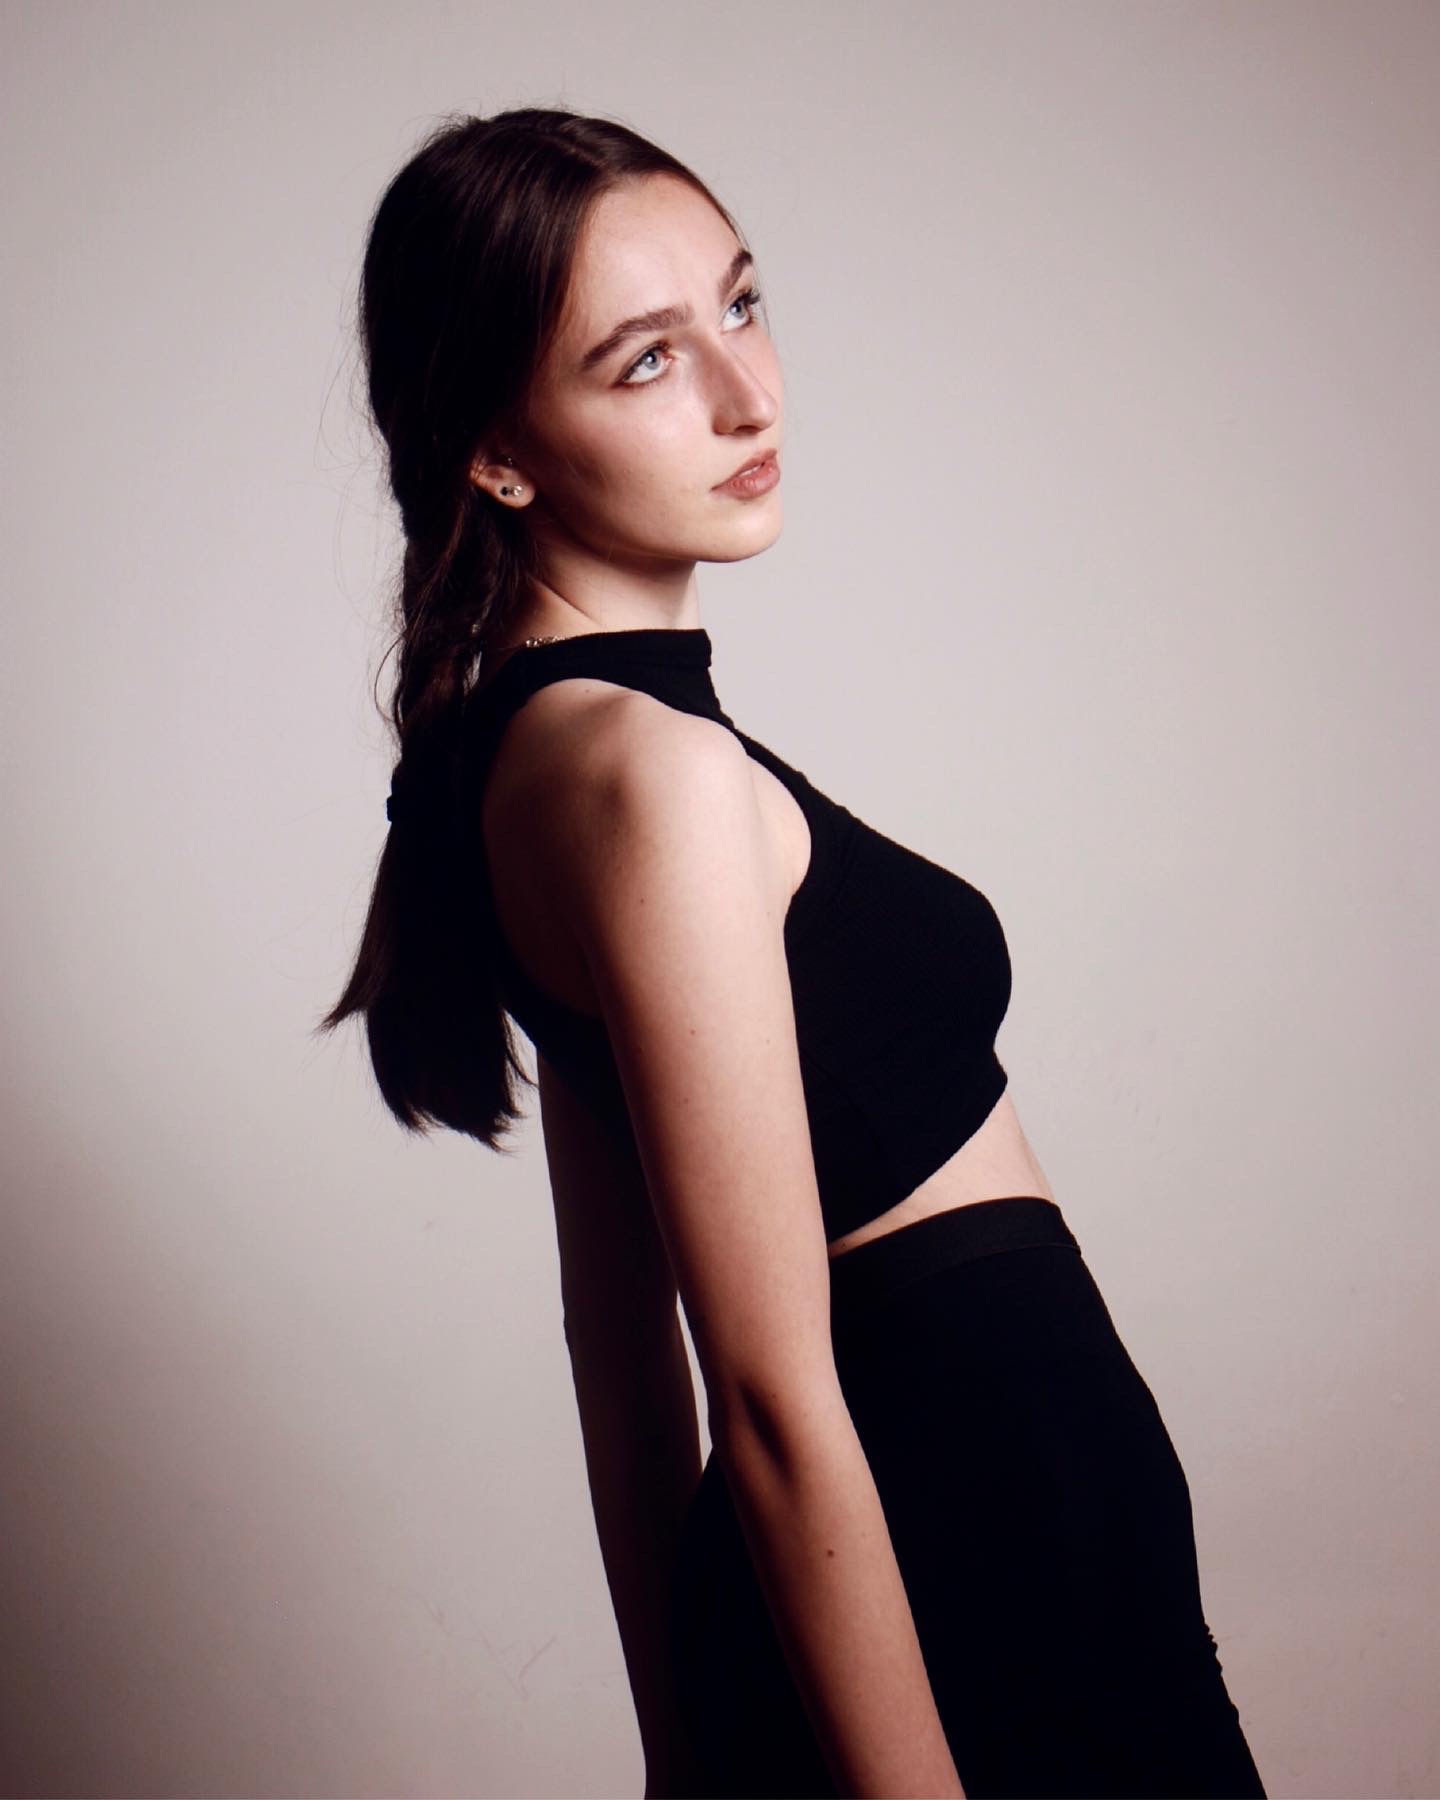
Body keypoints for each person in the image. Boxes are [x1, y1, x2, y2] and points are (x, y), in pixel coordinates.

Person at [320, 106, 1268, 1800]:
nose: (749, 395)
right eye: (646, 360)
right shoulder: (657, 779)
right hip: (978, 1576)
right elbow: (758, 1398)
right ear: (499, 452)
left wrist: (680, 1748)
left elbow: (623, 1354)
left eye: (743, 306)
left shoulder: (534, 761)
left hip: (965, 1560)